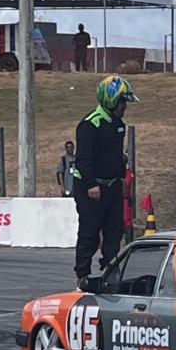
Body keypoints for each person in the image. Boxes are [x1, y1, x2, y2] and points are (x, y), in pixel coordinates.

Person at [72, 74, 137, 288]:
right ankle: (82, 274)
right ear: (111, 100)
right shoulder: (90, 125)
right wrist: (91, 184)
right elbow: (83, 159)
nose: (125, 106)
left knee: (115, 231)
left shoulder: (119, 125)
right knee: (90, 232)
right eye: (122, 102)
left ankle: (109, 270)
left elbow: (113, 154)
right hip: (90, 187)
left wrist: (121, 171)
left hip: (112, 185)